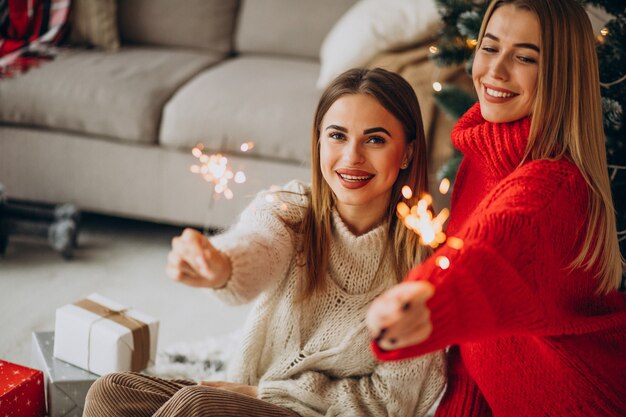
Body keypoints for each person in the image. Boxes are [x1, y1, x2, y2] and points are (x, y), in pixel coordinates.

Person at [83, 68, 446, 417]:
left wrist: (265, 395)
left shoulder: (424, 265)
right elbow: (258, 245)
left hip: (314, 412)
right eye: (337, 136)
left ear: (408, 153)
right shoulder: (289, 208)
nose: (352, 156)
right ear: (318, 140)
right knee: (111, 391)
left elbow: (388, 405)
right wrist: (222, 266)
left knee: (196, 407)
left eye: (375, 139)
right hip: (247, 395)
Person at [365, 0, 626, 416]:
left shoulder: (555, 187)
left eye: (524, 57)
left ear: (561, 75)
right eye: (489, 48)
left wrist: (428, 295)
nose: (496, 71)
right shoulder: (478, 160)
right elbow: (480, 346)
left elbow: (492, 248)